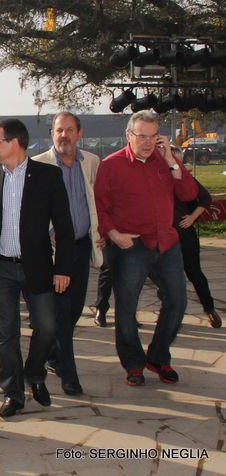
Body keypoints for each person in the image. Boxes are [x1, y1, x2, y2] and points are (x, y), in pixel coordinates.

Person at [0, 118, 73, 418]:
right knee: (6, 336)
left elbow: (64, 225)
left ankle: (35, 373)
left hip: (37, 266)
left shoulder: (47, 175)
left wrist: (63, 268)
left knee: (47, 327)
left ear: (14, 143)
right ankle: (12, 393)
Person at [94, 110, 198, 386]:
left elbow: (189, 194)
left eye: (153, 136)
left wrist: (172, 160)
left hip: (167, 243)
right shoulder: (111, 165)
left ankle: (158, 357)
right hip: (131, 245)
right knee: (126, 308)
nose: (148, 142)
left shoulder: (165, 162)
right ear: (128, 135)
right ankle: (133, 364)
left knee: (178, 301)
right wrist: (114, 234)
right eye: (142, 136)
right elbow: (101, 207)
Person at [32, 112, 102, 396]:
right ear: (52, 134)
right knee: (61, 312)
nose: (64, 135)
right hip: (54, 251)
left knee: (74, 309)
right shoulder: (38, 165)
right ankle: (69, 374)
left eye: (70, 130)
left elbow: (96, 201)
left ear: (79, 133)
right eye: (59, 130)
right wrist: (49, 230)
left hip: (81, 246)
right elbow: (31, 209)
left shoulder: (92, 162)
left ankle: (51, 355)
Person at [170, 145, 221, 329]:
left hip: (184, 234)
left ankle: (210, 309)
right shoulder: (157, 180)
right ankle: (170, 314)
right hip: (164, 234)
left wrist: (192, 217)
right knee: (165, 276)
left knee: (194, 272)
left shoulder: (188, 179)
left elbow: (206, 199)